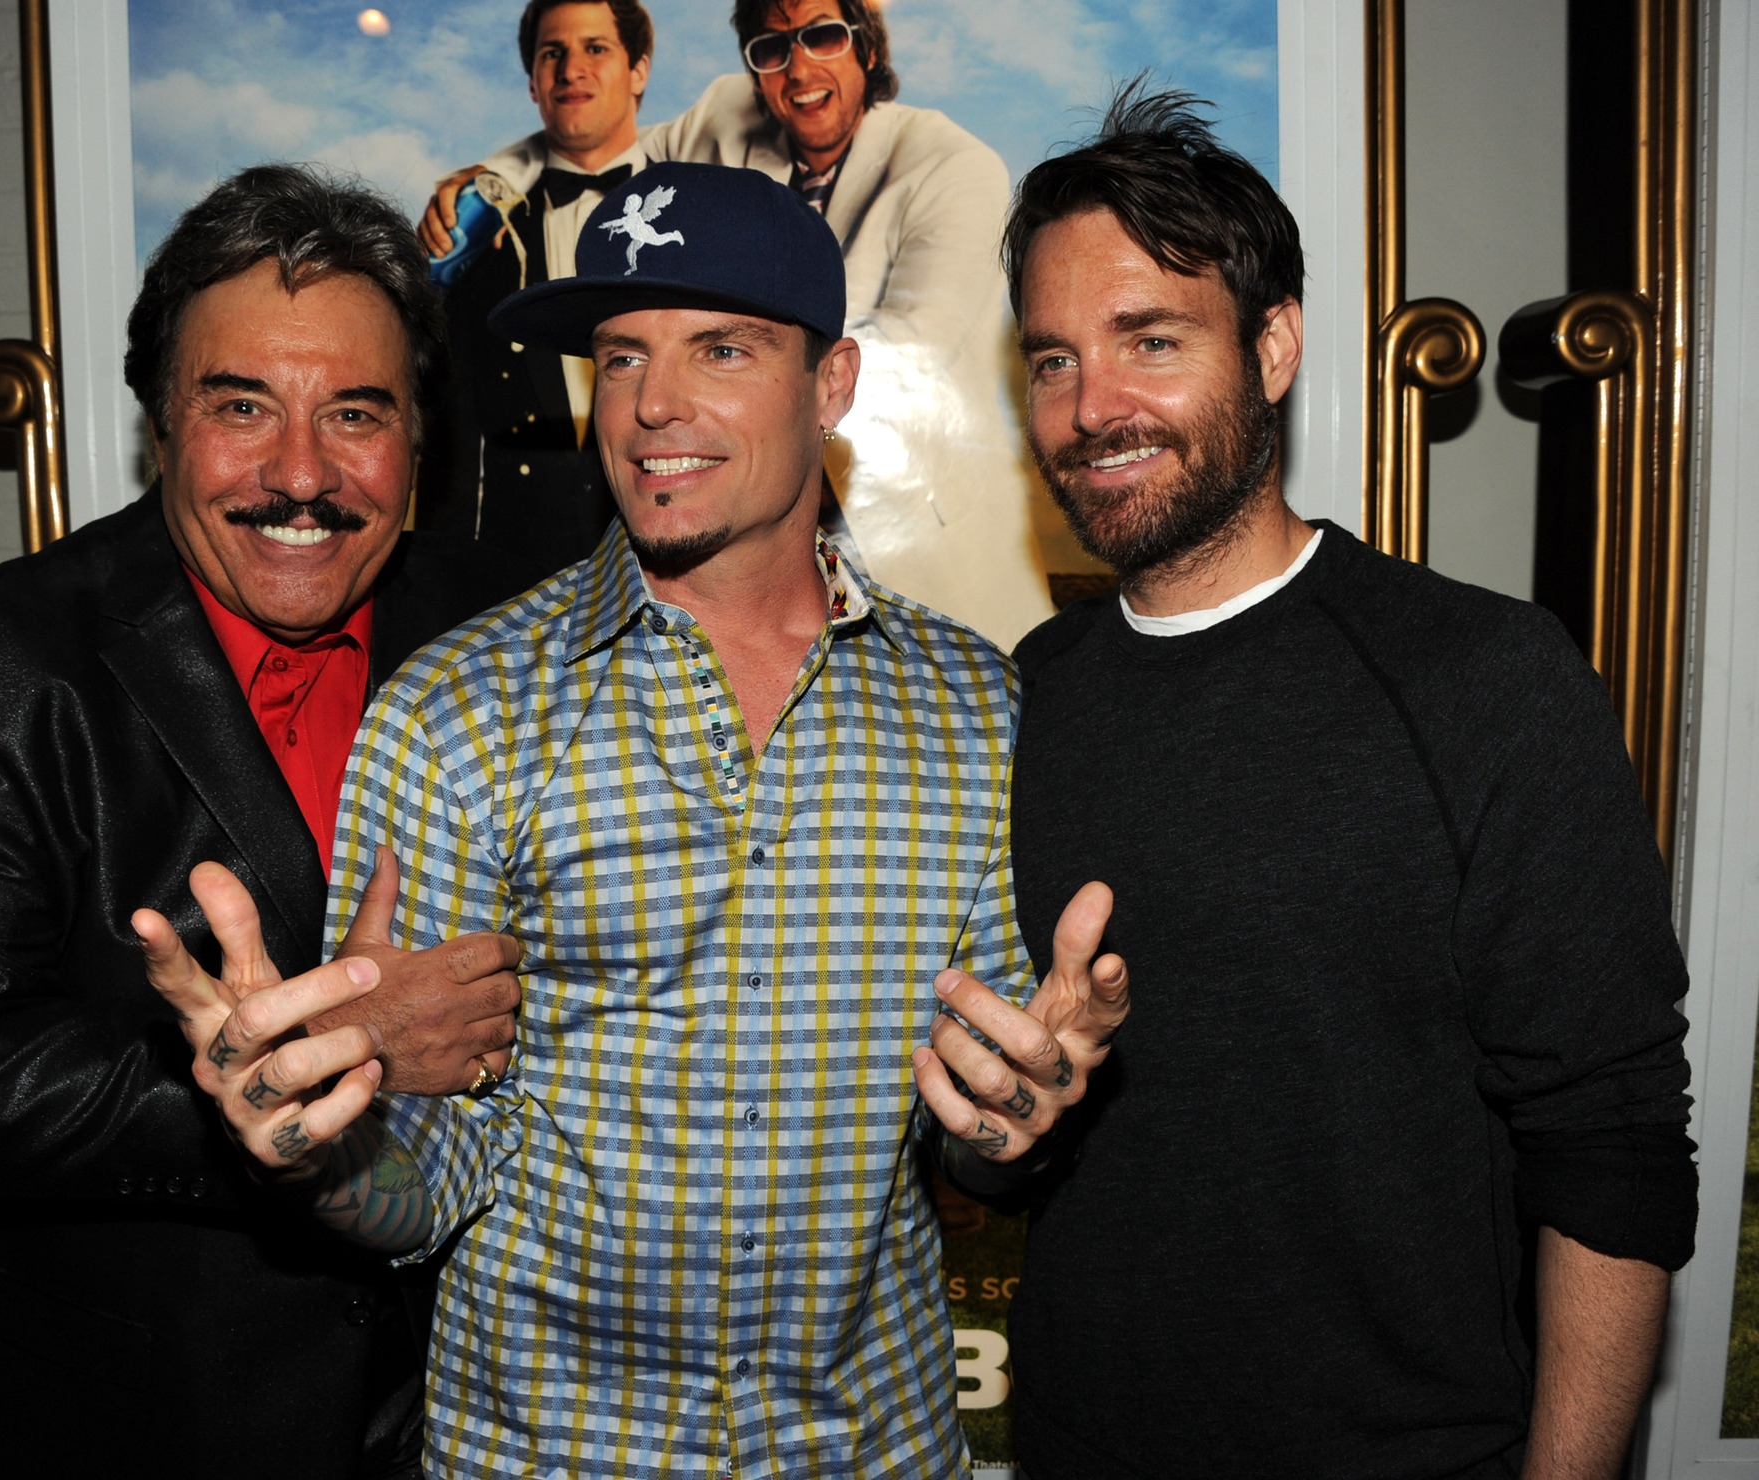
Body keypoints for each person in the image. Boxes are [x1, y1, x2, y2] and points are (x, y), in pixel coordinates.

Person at [141, 160, 1129, 1478]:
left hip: (874, 1448)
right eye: (619, 357)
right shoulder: (457, 712)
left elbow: (983, 1129)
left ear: (831, 387)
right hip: (544, 1452)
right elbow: (426, 1183)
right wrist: (318, 1153)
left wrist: (1017, 1121)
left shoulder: (970, 703)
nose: (654, 404)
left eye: (719, 348)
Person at [965, 88, 1697, 1479]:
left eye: (1152, 341)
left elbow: (1613, 1150)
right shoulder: (1028, 691)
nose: (1093, 407)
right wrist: (1006, 1130)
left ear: (1276, 346)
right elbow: (1001, 1157)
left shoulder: (1484, 677)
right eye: (1052, 361)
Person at [0, 166, 536, 1477]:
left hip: (480, 1418)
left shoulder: (508, 632)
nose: (303, 472)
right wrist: (322, 1049)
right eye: (242, 405)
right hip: (134, 1421)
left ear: (421, 438)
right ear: (162, 424)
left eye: (357, 413)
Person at [424, 0, 1055, 649]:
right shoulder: (725, 116)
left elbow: (912, 350)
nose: (799, 66)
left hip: (916, 566)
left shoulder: (949, 164)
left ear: (867, 46)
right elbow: (593, 133)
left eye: (823, 37)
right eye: (772, 48)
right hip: (730, 580)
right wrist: (497, 181)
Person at [418, 0, 653, 565]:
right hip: (514, 578)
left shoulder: (694, 217)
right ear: (533, 82)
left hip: (671, 570)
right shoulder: (476, 232)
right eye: (554, 53)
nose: (571, 69)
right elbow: (451, 437)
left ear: (638, 69)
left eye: (595, 48)